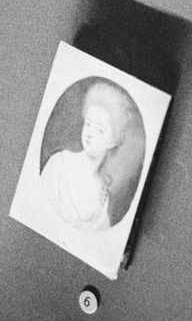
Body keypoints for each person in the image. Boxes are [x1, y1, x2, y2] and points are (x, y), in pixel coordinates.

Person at [39, 81, 135, 232]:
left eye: (99, 130)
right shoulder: (59, 164)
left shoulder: (103, 196)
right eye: (88, 124)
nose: (89, 134)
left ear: (112, 140)